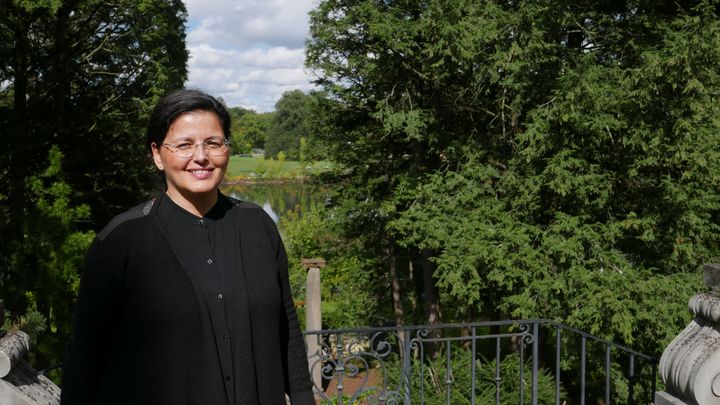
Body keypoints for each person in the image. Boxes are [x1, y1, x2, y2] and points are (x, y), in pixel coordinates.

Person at [61, 89, 315, 405]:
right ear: (157, 154)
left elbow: (286, 330)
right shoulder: (121, 242)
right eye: (184, 145)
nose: (201, 156)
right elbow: (85, 356)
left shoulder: (258, 226)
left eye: (213, 143)